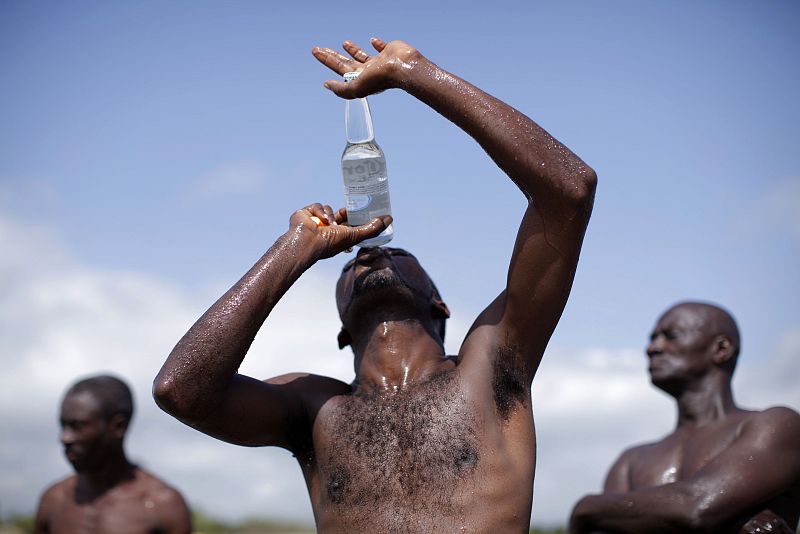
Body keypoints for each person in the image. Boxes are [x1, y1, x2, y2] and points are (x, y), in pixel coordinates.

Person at [154, 37, 596, 533]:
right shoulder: (313, 409)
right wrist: (296, 247)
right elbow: (180, 391)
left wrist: (415, 72)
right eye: (349, 265)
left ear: (439, 305)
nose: (370, 252)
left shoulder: (490, 367)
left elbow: (568, 190)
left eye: (398, 255)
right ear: (342, 331)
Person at [569, 302, 800, 533]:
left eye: (671, 336)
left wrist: (586, 507)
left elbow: (698, 506)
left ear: (722, 349)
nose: (652, 348)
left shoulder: (776, 425)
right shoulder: (630, 461)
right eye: (653, 338)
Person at [35, 375, 191, 534]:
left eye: (77, 426)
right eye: (63, 425)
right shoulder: (55, 500)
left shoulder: (163, 505)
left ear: (118, 426)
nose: (64, 438)